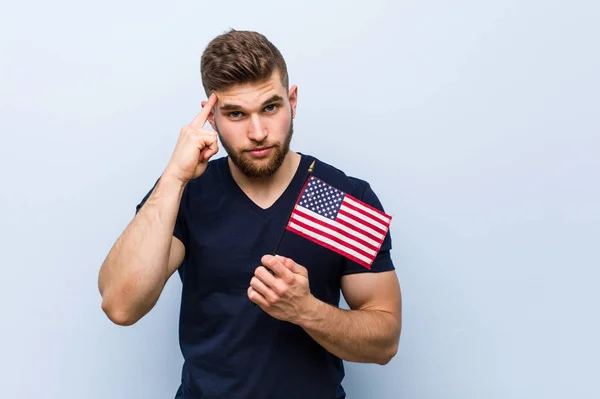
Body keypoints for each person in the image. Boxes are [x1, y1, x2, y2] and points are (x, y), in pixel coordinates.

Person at [98, 29, 402, 399]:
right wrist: (174, 177)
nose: (257, 132)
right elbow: (120, 305)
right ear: (211, 118)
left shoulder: (341, 197)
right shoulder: (187, 193)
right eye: (236, 114)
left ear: (292, 101)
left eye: (270, 107)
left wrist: (305, 310)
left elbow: (384, 342)